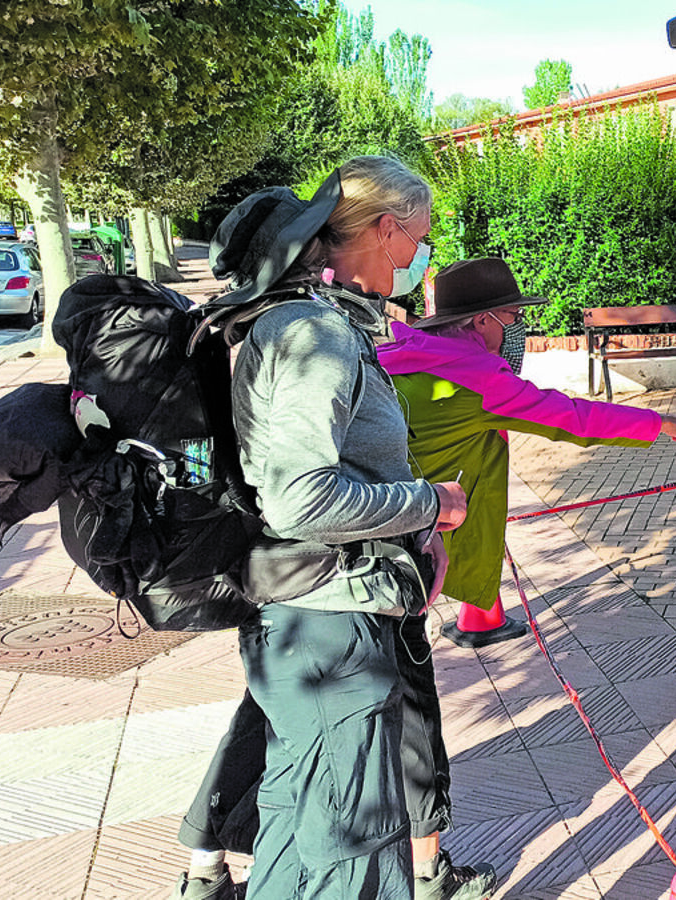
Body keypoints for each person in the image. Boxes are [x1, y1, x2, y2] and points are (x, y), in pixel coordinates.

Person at [173, 156, 492, 900]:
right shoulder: (312, 333)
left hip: (315, 618)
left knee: (297, 825)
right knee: (353, 848)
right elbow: (301, 498)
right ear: (385, 230)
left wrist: (414, 527)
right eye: (419, 237)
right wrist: (430, 505)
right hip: (327, 630)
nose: (420, 256)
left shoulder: (312, 323)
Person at [375, 257, 676, 627]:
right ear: (483, 320)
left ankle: (479, 617)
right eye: (513, 317)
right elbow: (571, 417)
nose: (517, 328)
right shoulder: (479, 377)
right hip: (408, 534)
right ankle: (474, 620)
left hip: (379, 502)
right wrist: (659, 421)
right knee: (404, 645)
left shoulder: (405, 352)